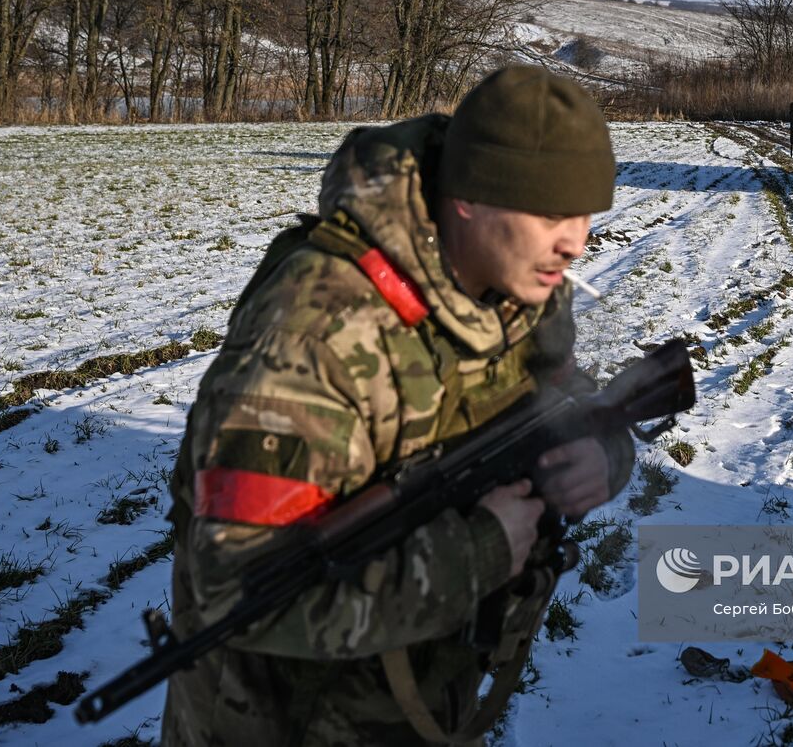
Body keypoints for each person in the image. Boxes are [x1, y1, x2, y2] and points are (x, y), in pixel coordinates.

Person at [161, 65, 634, 746]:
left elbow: (576, 403)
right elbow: (233, 587)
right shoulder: (316, 329)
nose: (577, 242)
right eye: (553, 214)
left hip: (418, 698)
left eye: (587, 214)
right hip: (277, 721)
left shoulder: (524, 290)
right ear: (469, 197)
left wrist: (602, 457)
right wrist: (477, 553)